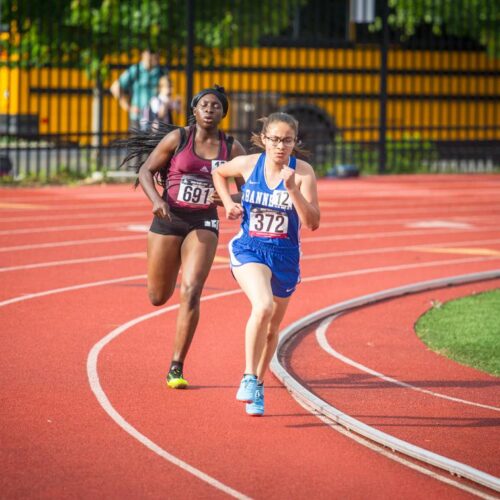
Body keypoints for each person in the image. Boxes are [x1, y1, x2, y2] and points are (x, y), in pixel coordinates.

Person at [123, 85, 245, 389]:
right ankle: (169, 267)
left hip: (203, 221)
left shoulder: (232, 148)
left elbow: (249, 189)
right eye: (204, 104)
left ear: (223, 113)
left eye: (216, 106)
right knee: (158, 296)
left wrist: (229, 200)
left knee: (191, 290)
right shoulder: (178, 138)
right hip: (169, 217)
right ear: (194, 109)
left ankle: (176, 366)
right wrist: (156, 200)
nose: (209, 109)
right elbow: (146, 171)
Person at [212, 112, 320, 416]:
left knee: (272, 329)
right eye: (274, 139)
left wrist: (293, 190)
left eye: (287, 140)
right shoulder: (249, 164)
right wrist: (229, 203)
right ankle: (248, 376)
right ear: (263, 139)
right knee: (262, 306)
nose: (280, 146)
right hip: (250, 249)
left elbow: (312, 222)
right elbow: (219, 173)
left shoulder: (303, 173)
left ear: (295, 142)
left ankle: (258, 384)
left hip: (285, 256)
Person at [110, 48, 167, 131]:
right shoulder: (135, 69)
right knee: (138, 143)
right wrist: (128, 107)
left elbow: (167, 90)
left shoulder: (161, 71)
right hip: (137, 117)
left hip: (156, 118)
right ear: (144, 54)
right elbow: (115, 88)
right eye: (152, 52)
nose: (156, 55)